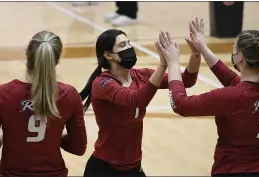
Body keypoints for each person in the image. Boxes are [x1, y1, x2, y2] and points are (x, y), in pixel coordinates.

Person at [156, 18, 259, 177]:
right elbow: (233, 81)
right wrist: (202, 48)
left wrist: (172, 63)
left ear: (239, 56)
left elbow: (180, 104)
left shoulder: (233, 96)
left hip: (232, 171)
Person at [79, 29, 202, 177]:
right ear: (108, 55)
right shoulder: (103, 83)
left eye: (129, 43)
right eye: (122, 45)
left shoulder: (142, 75)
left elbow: (187, 80)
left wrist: (196, 54)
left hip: (133, 166)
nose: (129, 48)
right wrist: (163, 65)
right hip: (105, 168)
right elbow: (137, 100)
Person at [0, 31, 87, 177]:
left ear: (27, 53)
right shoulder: (69, 95)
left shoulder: (0, 94)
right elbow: (78, 148)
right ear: (57, 60)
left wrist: (7, 136)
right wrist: (53, 135)